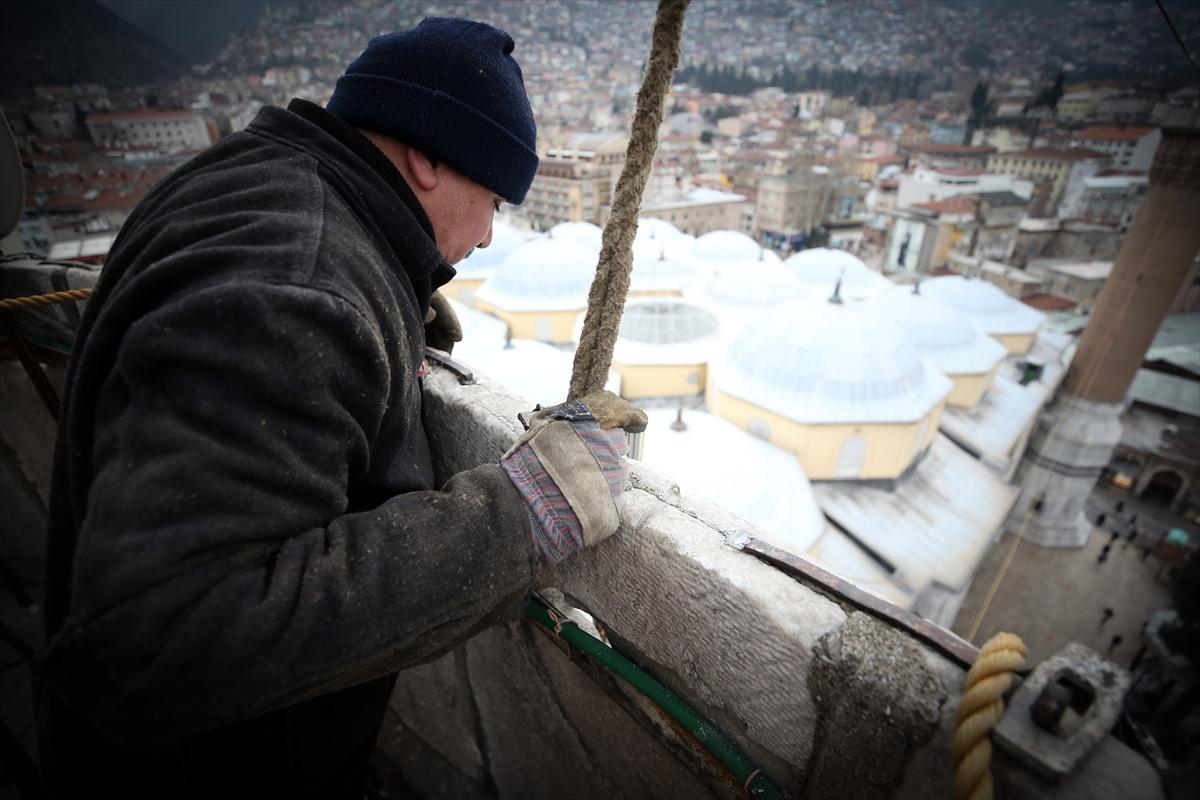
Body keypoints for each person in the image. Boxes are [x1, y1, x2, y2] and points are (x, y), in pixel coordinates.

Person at [35, 18, 646, 799]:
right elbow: (161, 640)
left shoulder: (252, 179)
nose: (490, 236)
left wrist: (394, 301)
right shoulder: (303, 291)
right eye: (493, 196)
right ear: (426, 155)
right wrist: (526, 514)